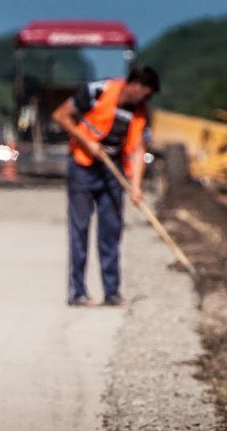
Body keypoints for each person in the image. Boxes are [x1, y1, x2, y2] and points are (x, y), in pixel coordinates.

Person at [52, 66, 160, 307]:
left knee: (111, 231)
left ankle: (112, 292)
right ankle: (77, 292)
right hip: (83, 166)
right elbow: (60, 115)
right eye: (145, 93)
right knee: (79, 230)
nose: (146, 99)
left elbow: (139, 150)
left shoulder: (141, 112)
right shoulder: (97, 91)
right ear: (134, 85)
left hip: (114, 171)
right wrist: (87, 141)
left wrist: (136, 187)